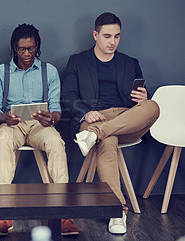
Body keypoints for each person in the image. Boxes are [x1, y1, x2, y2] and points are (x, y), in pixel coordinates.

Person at [61, 12, 160, 234]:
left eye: (117, 36)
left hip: (125, 118)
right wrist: (86, 114)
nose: (112, 42)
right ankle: (118, 212)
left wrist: (143, 98)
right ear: (95, 35)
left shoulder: (130, 63)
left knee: (153, 106)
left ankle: (97, 133)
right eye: (107, 36)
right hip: (93, 118)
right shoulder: (77, 61)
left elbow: (142, 105)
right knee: (108, 142)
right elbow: (67, 96)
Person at [0, 24, 78, 237]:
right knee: (2, 142)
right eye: (21, 49)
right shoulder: (1, 72)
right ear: (14, 48)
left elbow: (56, 108)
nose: (26, 54)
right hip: (13, 124)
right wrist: (4, 117)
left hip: (40, 125)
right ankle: (4, 212)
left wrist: (51, 119)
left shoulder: (50, 71)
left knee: (56, 142)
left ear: (37, 47)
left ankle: (64, 213)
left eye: (31, 49)